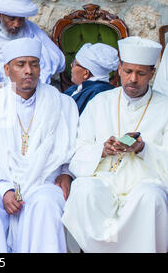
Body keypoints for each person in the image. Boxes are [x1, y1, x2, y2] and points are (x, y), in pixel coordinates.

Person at [0, 37, 78, 253]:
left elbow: (71, 148)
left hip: (45, 180)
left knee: (45, 203)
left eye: (34, 64)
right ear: (7, 69)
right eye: (21, 64)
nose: (29, 71)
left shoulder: (63, 104)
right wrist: (4, 189)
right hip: (1, 182)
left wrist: (66, 173)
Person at [62, 36, 168, 253]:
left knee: (150, 197)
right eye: (128, 71)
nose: (133, 79)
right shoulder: (100, 103)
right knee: (83, 189)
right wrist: (101, 150)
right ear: (119, 69)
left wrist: (143, 149)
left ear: (152, 73)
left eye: (140, 73)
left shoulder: (165, 107)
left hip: (144, 181)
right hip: (105, 179)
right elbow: (78, 148)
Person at [64, 43, 119, 114]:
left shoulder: (95, 93)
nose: (71, 65)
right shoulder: (78, 88)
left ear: (86, 73)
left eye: (75, 63)